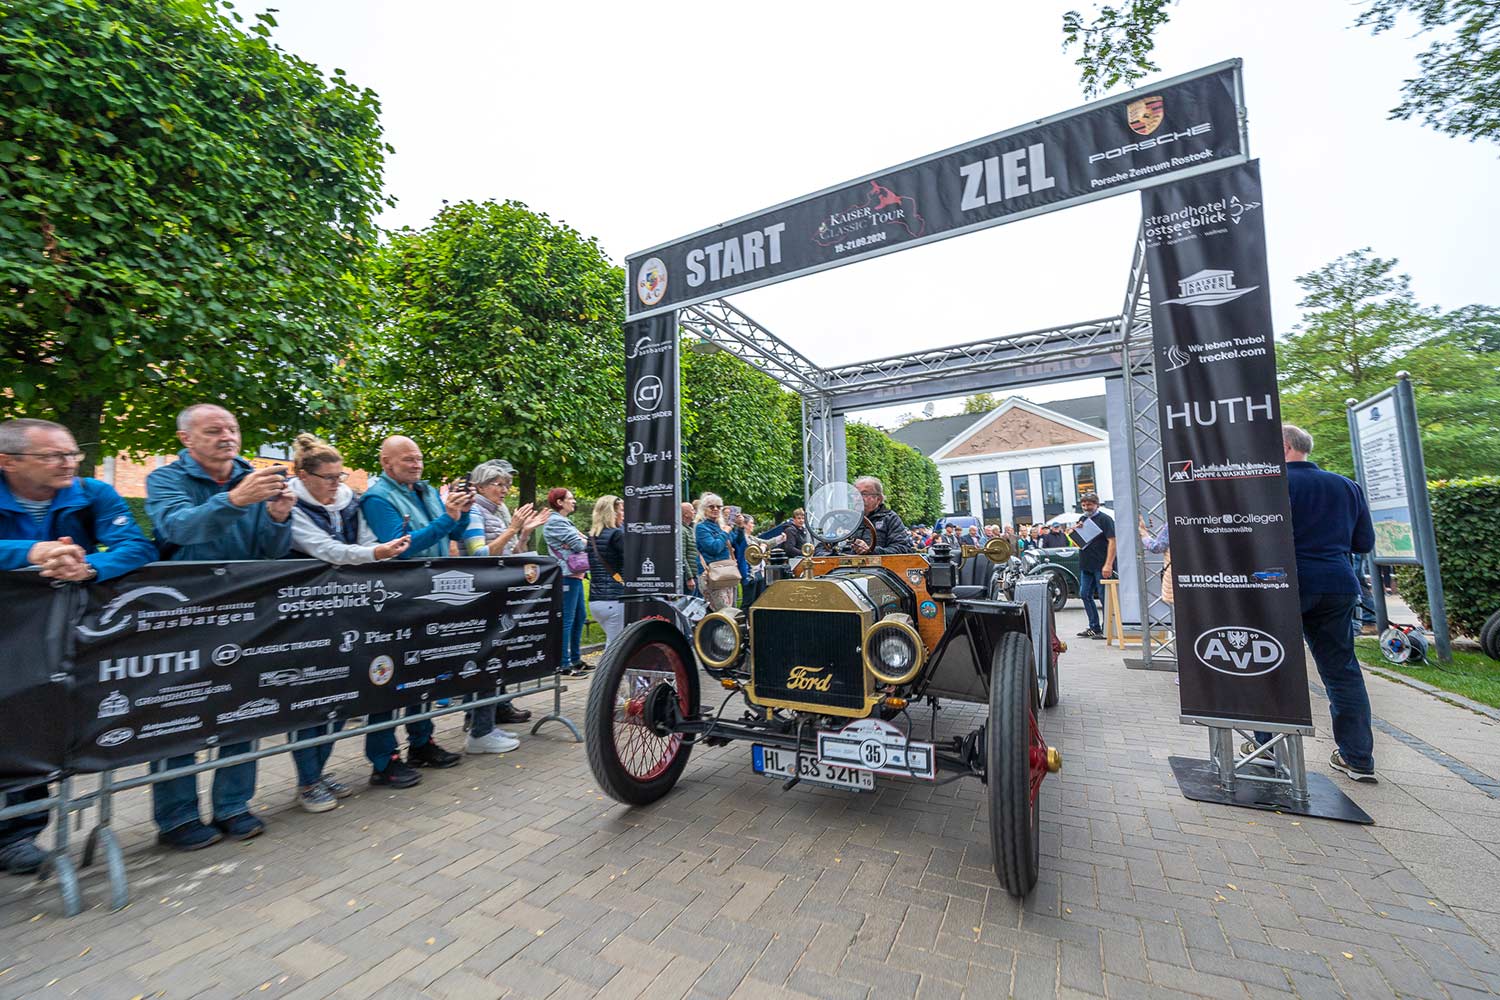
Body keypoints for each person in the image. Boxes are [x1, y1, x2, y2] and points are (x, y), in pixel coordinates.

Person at [0, 419, 156, 874]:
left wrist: (88, 568)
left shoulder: (91, 493)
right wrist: (30, 554)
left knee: (31, 725)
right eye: (52, 456)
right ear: (8, 461)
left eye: (72, 453)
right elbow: (31, 554)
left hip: (48, 641)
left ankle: (16, 836)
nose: (69, 463)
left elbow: (137, 546)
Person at [145, 404, 296, 849]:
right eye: (213, 430)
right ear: (185, 438)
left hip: (244, 614)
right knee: (178, 715)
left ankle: (233, 805)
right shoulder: (166, 479)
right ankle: (177, 819)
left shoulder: (253, 478)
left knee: (244, 710)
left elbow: (270, 555)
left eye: (232, 428)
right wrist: (235, 501)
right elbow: (179, 529)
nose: (227, 436)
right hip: (184, 616)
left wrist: (277, 519)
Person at [283, 434, 413, 810]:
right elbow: (326, 550)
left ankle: (319, 772)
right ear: (303, 475)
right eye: (328, 477)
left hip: (346, 613)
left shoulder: (349, 502)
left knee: (338, 695)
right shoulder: (291, 504)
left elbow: (365, 542)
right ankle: (307, 781)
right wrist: (373, 552)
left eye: (340, 476)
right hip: (304, 616)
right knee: (309, 699)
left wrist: (372, 551)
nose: (336, 484)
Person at [1265, 424, 1378, 783]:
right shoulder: (1347, 486)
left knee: (1271, 664)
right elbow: (1363, 543)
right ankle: (1357, 757)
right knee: (1342, 671)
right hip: (1337, 583)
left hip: (1284, 584)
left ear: (1284, 447)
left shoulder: (1270, 484)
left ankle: (1265, 749)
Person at [359, 435, 472, 779]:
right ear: (386, 462)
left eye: (419, 458)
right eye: (407, 459)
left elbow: (449, 533)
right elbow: (401, 545)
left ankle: (422, 741)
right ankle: (383, 759)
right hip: (395, 599)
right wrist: (446, 519)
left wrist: (461, 514)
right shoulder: (377, 497)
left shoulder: (424, 491)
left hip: (429, 595)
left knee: (423, 672)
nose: (416, 464)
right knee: (388, 678)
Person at [460, 459, 547, 745]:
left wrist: (522, 534)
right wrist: (512, 529)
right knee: (486, 659)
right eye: (499, 484)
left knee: (497, 658)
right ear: (481, 486)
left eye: (508, 485)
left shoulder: (499, 510)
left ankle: (487, 718)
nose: (506, 490)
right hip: (482, 597)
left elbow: (513, 552)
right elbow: (478, 555)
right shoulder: (474, 511)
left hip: (502, 595)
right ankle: (479, 729)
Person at [543, 487, 589, 675]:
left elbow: (582, 542)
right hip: (566, 576)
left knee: (580, 618)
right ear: (559, 502)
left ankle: (576, 659)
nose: (574, 501)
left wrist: (581, 540)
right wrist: (581, 540)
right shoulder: (555, 522)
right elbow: (580, 544)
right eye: (570, 498)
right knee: (567, 620)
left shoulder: (565, 522)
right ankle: (563, 663)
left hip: (575, 576)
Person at [1073, 492, 1115, 640]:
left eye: (1089, 504)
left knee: (1104, 597)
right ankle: (1094, 627)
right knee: (1084, 594)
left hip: (1101, 563)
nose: (1086, 507)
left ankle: (1107, 629)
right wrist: (1075, 530)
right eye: (1083, 505)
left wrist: (1108, 564)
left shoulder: (1105, 519)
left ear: (1096, 504)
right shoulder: (1082, 519)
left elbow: (1112, 541)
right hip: (1086, 563)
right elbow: (1077, 542)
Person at [586, 495, 626, 649]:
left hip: (596, 600)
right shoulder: (617, 535)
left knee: (613, 644)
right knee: (616, 647)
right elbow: (630, 563)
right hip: (614, 598)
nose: (623, 514)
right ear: (613, 513)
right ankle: (608, 674)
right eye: (621, 510)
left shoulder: (592, 537)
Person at [694, 493, 742, 610]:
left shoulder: (720, 526)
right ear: (704, 509)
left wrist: (739, 527)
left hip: (727, 572)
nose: (715, 509)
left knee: (731, 611)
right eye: (711, 506)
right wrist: (725, 532)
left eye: (718, 507)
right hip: (712, 574)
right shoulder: (701, 527)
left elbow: (736, 542)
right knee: (722, 612)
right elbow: (714, 548)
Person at [850, 477, 915, 555]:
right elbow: (833, 542)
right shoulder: (843, 519)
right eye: (855, 494)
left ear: (879, 499)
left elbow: (903, 548)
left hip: (877, 566)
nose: (858, 498)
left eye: (864, 494)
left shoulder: (890, 518)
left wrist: (871, 550)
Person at [681, 502, 699, 595]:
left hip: (695, 574)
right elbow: (682, 556)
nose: (695, 512)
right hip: (690, 577)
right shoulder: (682, 531)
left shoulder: (689, 529)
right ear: (686, 514)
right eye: (692, 509)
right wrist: (689, 577)